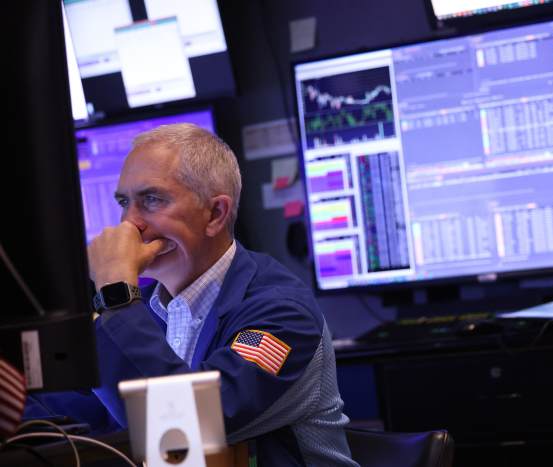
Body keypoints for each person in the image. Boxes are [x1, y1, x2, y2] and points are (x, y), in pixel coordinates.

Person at [25, 124, 357, 466]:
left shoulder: (281, 314)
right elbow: (91, 411)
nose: (129, 225)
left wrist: (114, 293)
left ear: (215, 214)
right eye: (125, 203)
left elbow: (182, 430)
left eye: (152, 200)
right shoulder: (152, 306)